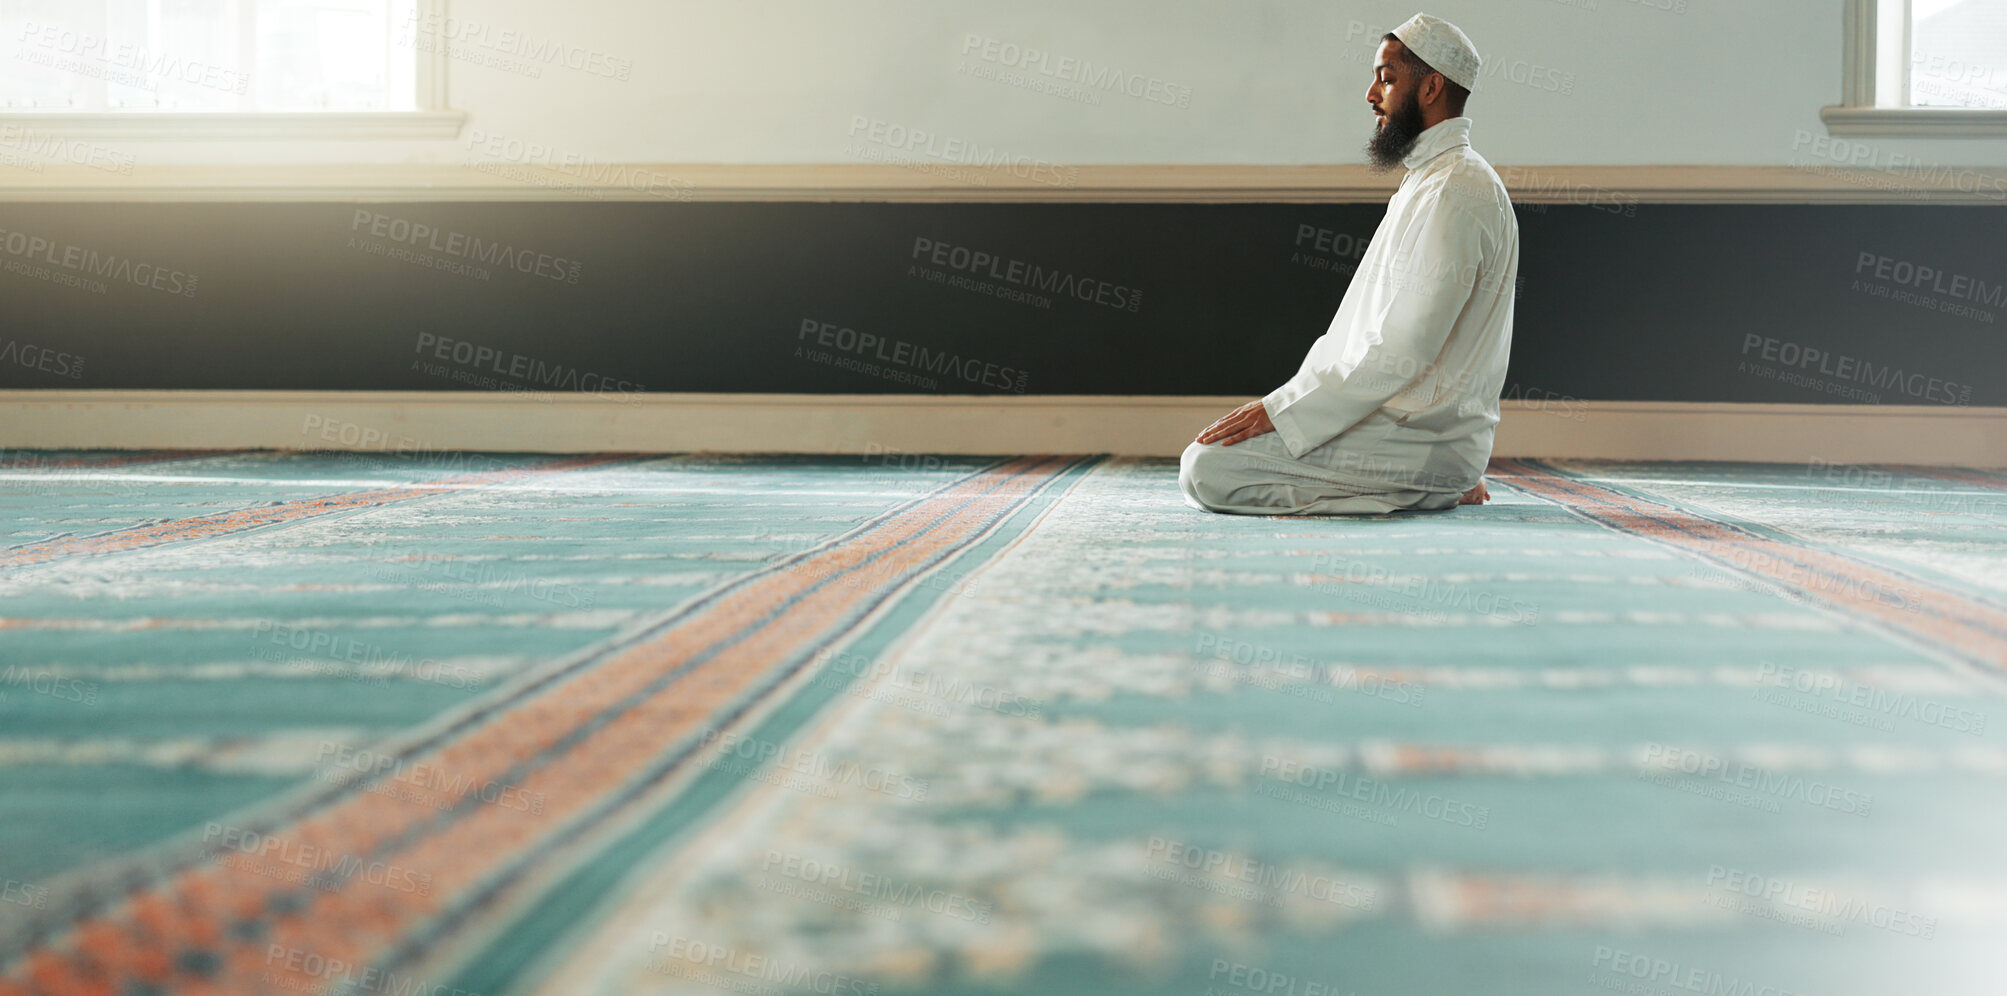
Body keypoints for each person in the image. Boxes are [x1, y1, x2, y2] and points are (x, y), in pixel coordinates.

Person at [1180, 12, 1518, 515]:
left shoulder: (1458, 189)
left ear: (1431, 88)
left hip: (1421, 436)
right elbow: (1364, 338)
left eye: (1386, 79)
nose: (1370, 94)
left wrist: (1287, 412)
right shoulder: (1430, 179)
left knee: (1206, 469)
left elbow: (1406, 344)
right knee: (1209, 459)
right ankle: (1435, 482)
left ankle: (1437, 483)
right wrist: (1288, 404)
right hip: (1397, 424)